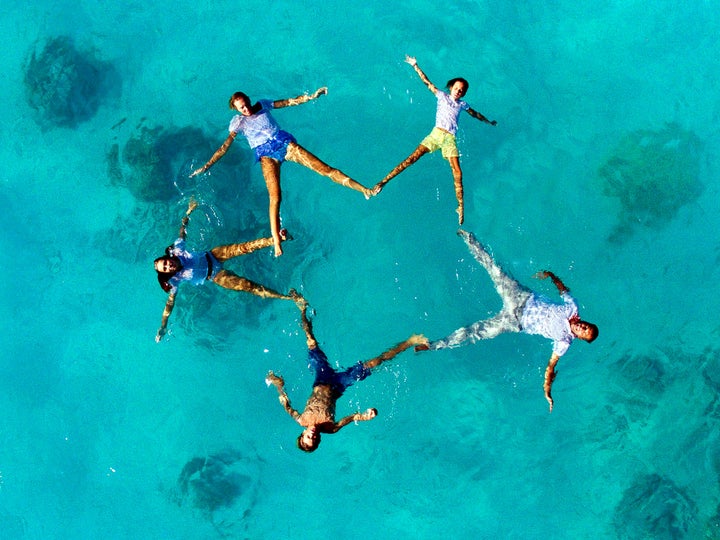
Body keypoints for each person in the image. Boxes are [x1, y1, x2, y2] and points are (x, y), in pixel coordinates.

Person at [417, 230, 598, 411]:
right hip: (521, 297)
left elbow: (550, 367)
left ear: (579, 337)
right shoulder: (572, 307)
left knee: (475, 333)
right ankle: (468, 238)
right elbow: (563, 289)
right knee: (495, 269)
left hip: (514, 321)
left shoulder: (564, 342)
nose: (582, 327)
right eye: (586, 326)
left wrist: (547, 392)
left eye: (584, 331)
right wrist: (550, 275)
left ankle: (433, 345)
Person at [190, 87, 373, 257]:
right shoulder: (238, 122)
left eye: (245, 104)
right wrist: (208, 165)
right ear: (237, 109)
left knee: (325, 169)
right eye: (241, 108)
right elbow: (225, 146)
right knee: (275, 197)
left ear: (249, 99)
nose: (245, 109)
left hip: (285, 144)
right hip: (266, 156)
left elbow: (288, 102)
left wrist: (311, 96)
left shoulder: (263, 104)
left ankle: (364, 190)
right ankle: (277, 241)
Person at [266, 298, 428, 452]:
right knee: (374, 363)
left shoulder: (301, 420)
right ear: (319, 439)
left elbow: (286, 405)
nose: (313, 434)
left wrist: (279, 385)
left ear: (303, 434)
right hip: (339, 384)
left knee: (311, 341)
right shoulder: (331, 428)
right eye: (314, 438)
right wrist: (366, 416)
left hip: (321, 377)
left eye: (308, 436)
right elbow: (351, 418)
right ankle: (410, 342)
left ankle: (301, 308)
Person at [154, 198, 301, 342]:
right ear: (167, 273)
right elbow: (170, 304)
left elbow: (182, 232)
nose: (168, 266)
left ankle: (278, 239)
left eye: (165, 262)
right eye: (165, 268)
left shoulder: (178, 250)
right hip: (215, 276)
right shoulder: (175, 280)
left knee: (244, 247)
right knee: (249, 286)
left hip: (213, 255)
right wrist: (163, 325)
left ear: (167, 257)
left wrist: (189, 211)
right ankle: (288, 297)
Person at [372, 55, 497, 225]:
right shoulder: (442, 96)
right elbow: (427, 82)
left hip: (449, 139)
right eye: (457, 88)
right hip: (435, 134)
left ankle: (460, 206)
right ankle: (383, 181)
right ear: (451, 87)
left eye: (462, 90)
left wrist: (488, 121)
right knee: (411, 159)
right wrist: (415, 65)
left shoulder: (462, 104)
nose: (459, 91)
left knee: (458, 172)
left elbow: (474, 113)